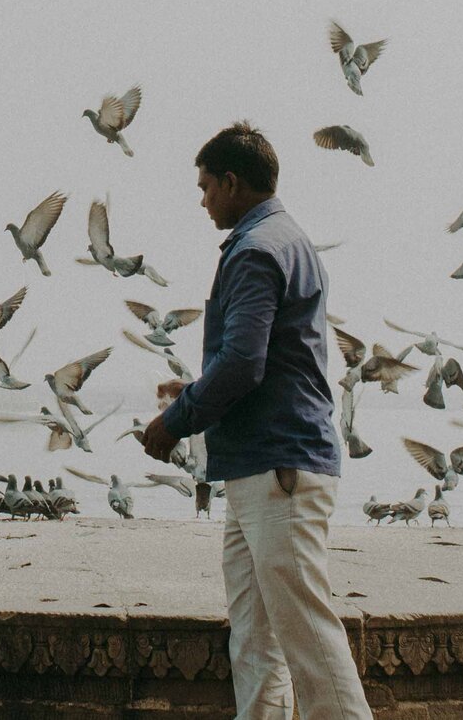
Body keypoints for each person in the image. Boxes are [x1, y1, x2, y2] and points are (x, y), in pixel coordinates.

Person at [141, 121, 371, 720]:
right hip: (261, 466)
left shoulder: (255, 248)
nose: (202, 199)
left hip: (279, 468)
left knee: (306, 640)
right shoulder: (286, 240)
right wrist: (194, 390)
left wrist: (177, 421)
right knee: (254, 639)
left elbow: (244, 361)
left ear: (232, 181)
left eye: (206, 186)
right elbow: (263, 360)